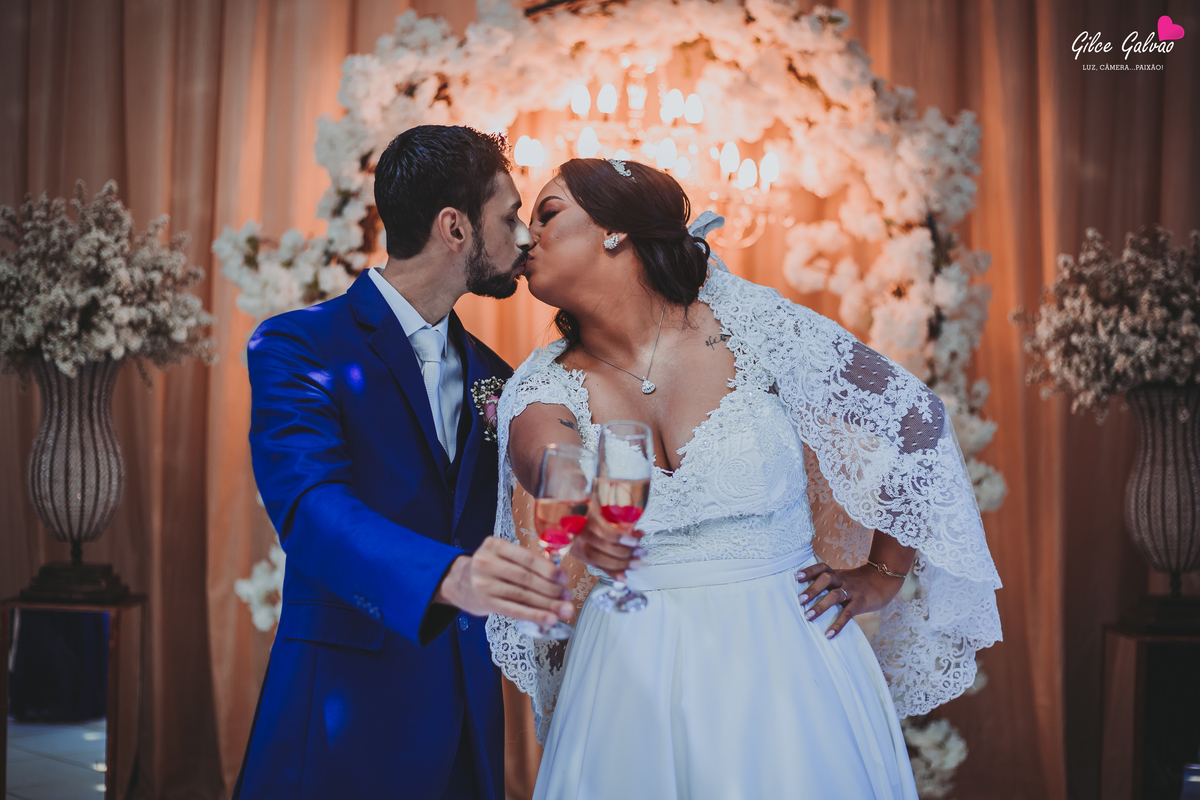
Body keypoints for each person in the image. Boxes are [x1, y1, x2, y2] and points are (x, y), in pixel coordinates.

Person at [486, 158, 1004, 799]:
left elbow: (911, 419)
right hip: (629, 671)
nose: (525, 236)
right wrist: (576, 499)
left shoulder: (752, 325)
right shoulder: (541, 382)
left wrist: (882, 575)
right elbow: (548, 456)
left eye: (547, 213)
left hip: (791, 662)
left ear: (615, 230)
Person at [234, 125, 577, 800]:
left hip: (465, 724)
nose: (524, 237)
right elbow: (311, 508)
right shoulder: (298, 346)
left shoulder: (500, 376)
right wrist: (451, 576)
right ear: (455, 228)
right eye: (510, 217)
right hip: (342, 718)